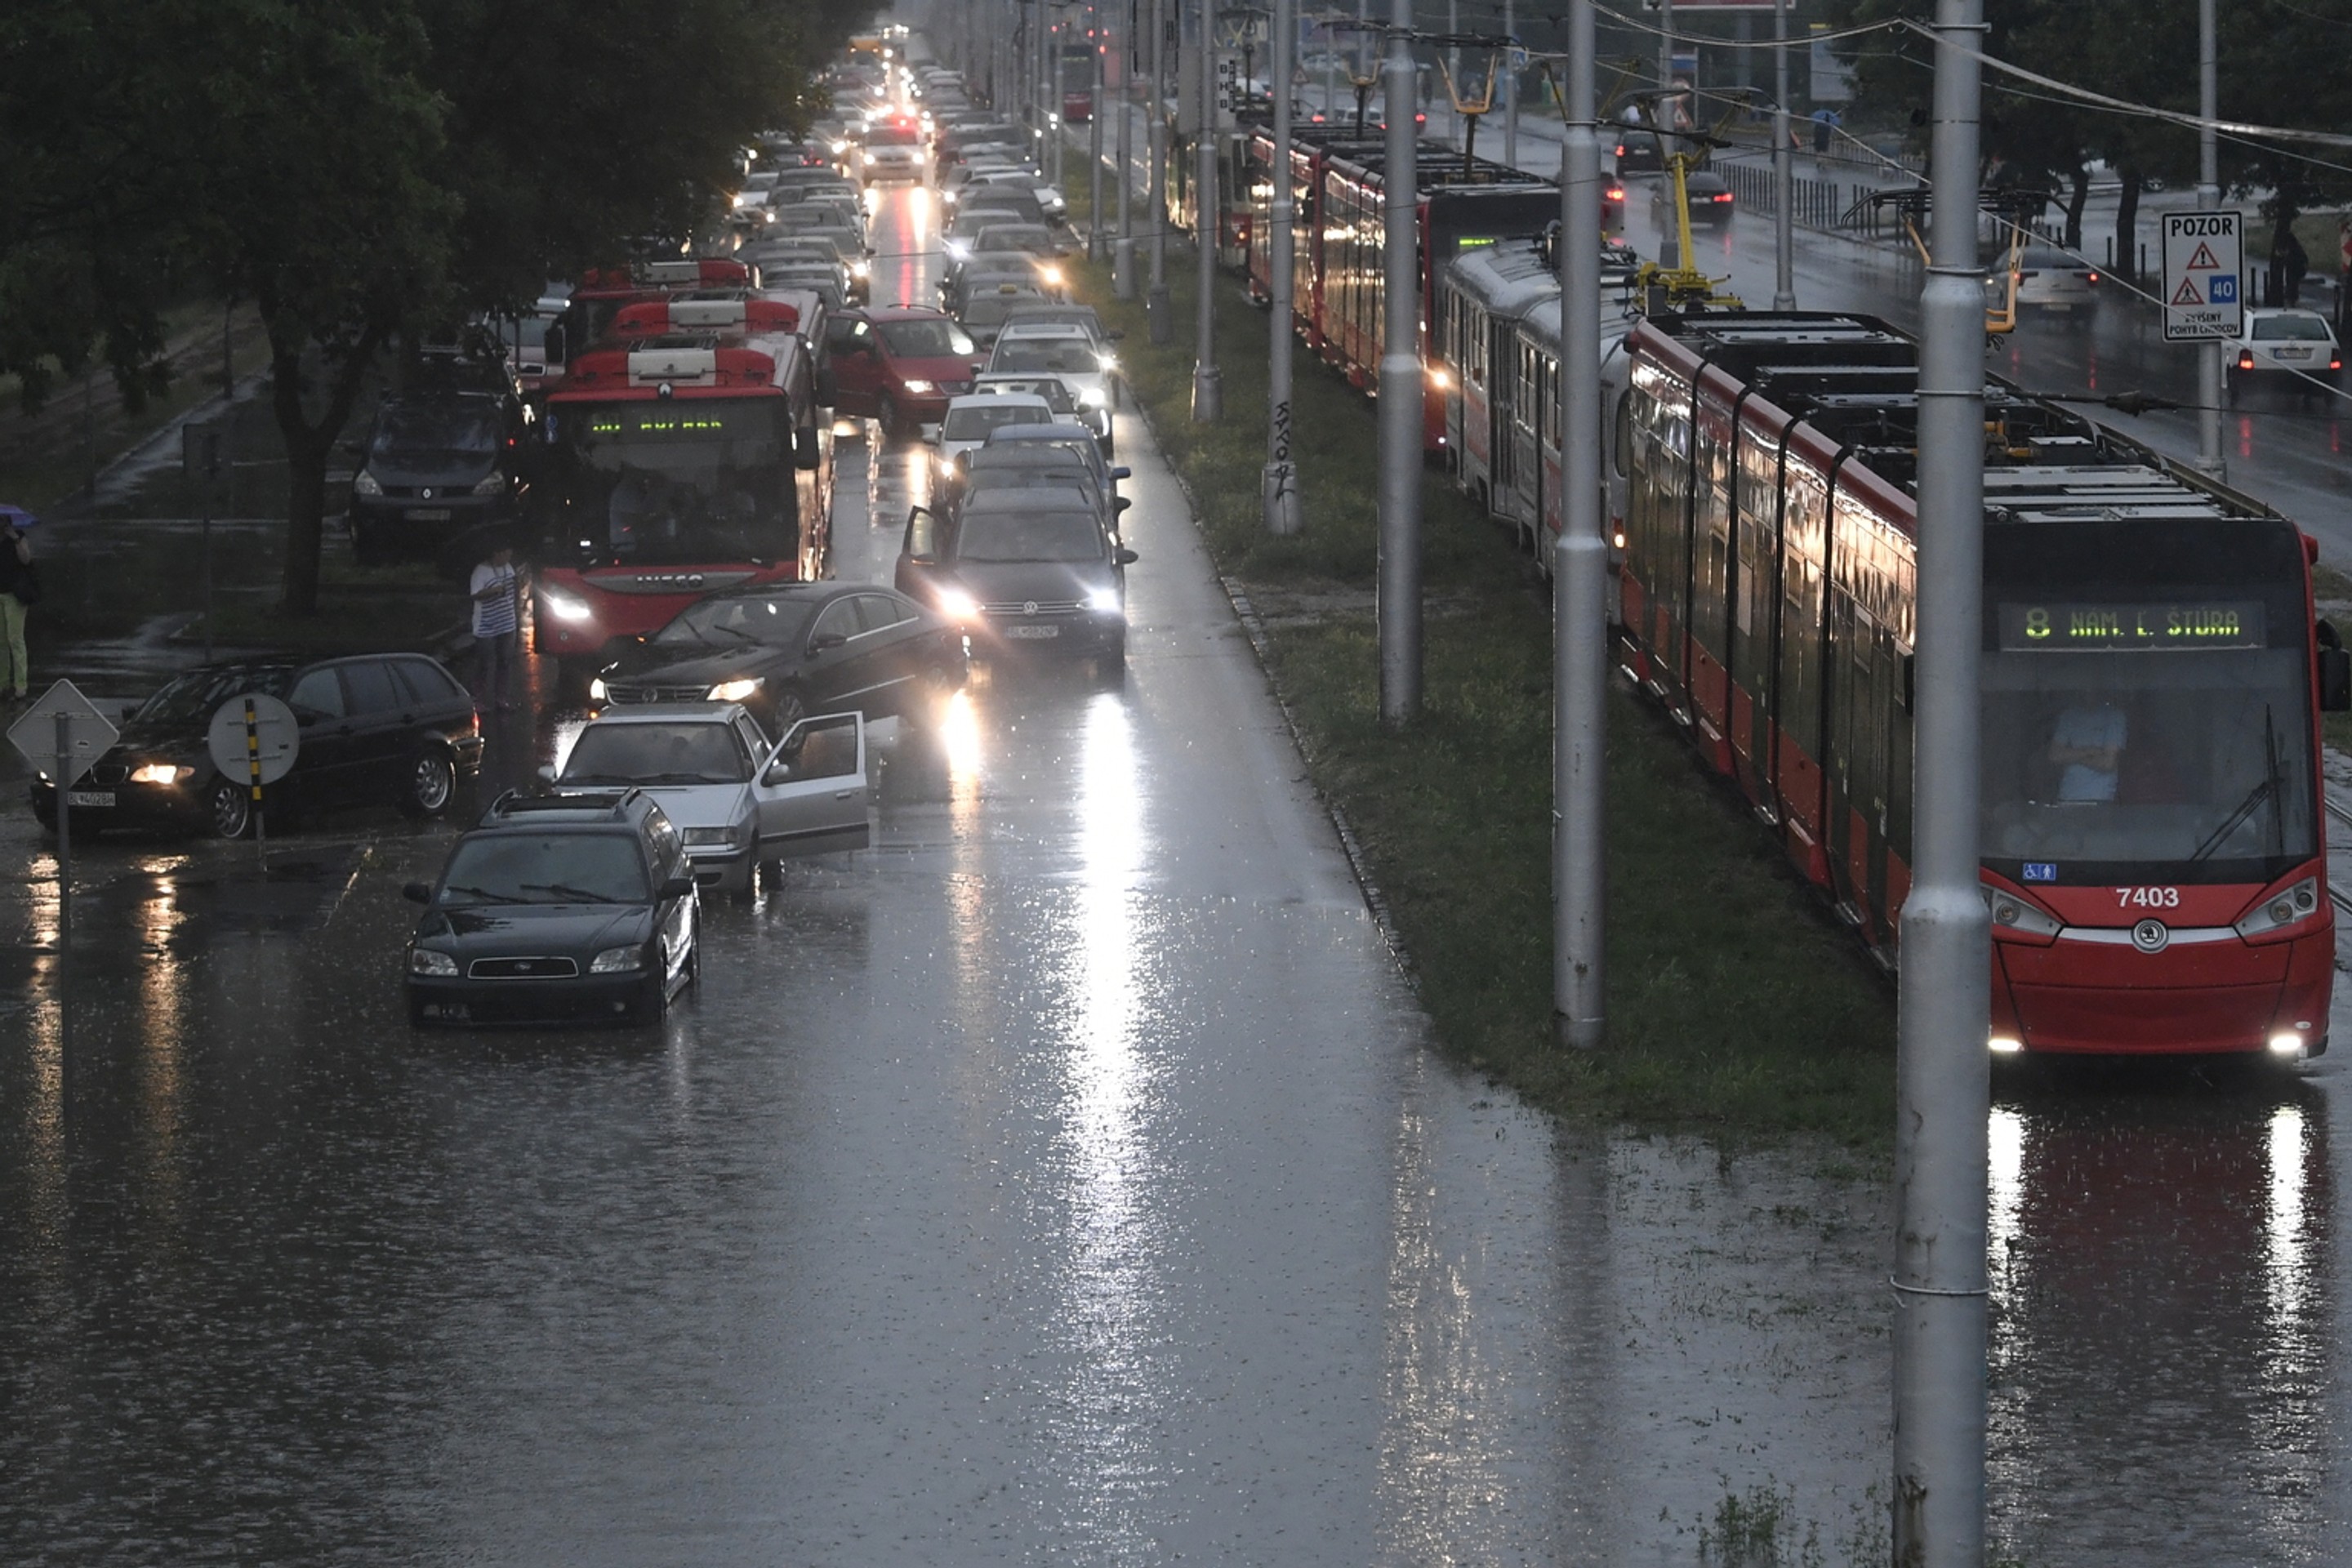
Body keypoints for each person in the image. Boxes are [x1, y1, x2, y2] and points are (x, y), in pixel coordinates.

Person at [469, 543, 522, 712]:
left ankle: (501, 698)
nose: (508, 558)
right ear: (496, 554)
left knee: (505, 661)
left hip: (507, 623)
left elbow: (514, 590)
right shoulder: (481, 571)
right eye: (505, 554)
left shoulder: (508, 568)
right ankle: (477, 699)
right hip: (486, 625)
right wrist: (493, 591)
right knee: (484, 662)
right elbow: (475, 594)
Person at [2047, 702, 2127, 803]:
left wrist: (2070, 756)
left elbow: (2108, 763)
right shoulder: (2069, 715)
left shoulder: (2114, 715)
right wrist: (2088, 751)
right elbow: (2054, 755)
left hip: (2100, 799)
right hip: (2066, 797)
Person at [0, 515, 33, 703]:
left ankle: (20, 685)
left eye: (3, 521)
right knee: (0, 642)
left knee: (15, 639)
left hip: (15, 595)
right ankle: (2, 683)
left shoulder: (18, 537)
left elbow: (26, 559)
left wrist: (15, 539)